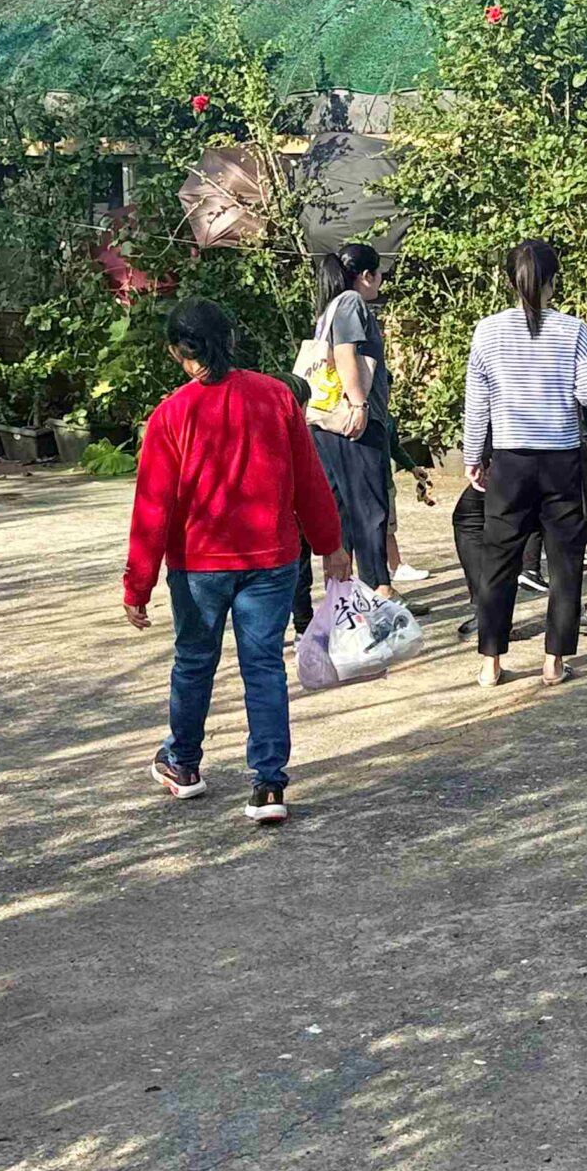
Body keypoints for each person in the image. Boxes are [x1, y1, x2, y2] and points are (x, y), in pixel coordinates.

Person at [124, 299, 350, 827]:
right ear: (230, 338)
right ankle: (268, 785)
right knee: (263, 667)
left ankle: (182, 764)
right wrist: (330, 544)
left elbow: (153, 509)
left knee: (194, 663)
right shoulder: (275, 397)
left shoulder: (170, 415)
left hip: (198, 567)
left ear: (178, 353)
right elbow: (309, 481)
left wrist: (138, 585)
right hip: (271, 561)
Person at [461, 239, 587, 689]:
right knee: (565, 560)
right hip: (561, 460)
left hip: (509, 460)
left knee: (499, 560)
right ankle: (554, 662)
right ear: (554, 282)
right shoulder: (574, 330)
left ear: (509, 281)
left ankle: (490, 663)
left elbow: (477, 403)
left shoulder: (487, 331)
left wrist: (472, 456)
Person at [304, 244, 402, 605]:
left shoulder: (328, 309)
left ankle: (343, 592)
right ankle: (379, 587)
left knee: (341, 506)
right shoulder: (351, 304)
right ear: (366, 276)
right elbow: (346, 352)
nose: (379, 282)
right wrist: (359, 404)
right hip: (352, 421)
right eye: (378, 274)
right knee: (370, 504)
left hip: (326, 423)